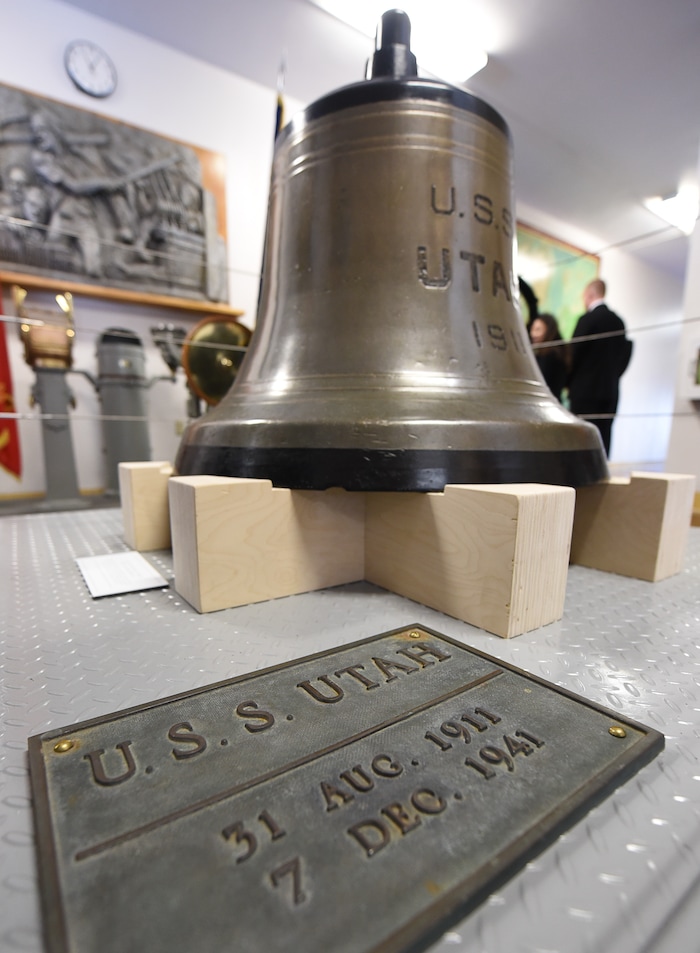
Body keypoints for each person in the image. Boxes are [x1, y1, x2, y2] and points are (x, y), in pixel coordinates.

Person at [568, 278, 632, 455]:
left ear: (589, 295)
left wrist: (569, 383)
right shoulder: (619, 322)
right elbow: (625, 356)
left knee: (580, 442)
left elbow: (574, 354)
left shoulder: (588, 320)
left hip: (585, 393)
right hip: (609, 393)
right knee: (603, 443)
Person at [528, 312, 568, 401]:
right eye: (532, 329)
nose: (533, 334)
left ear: (548, 331)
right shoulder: (558, 353)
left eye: (538, 329)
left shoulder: (550, 356)